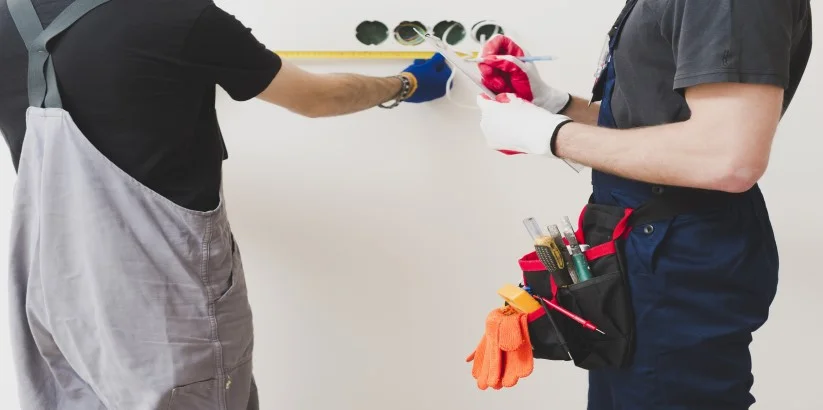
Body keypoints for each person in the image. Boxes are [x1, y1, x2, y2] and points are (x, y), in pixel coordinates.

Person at [0, 0, 451, 408]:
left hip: (50, 287)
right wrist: (405, 84)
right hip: (164, 298)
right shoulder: (177, 15)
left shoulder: (6, 19)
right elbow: (317, 97)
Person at [475, 0, 812, 409]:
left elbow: (727, 157)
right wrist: (554, 106)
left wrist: (551, 135)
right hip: (636, 250)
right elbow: (654, 123)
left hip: (676, 257)